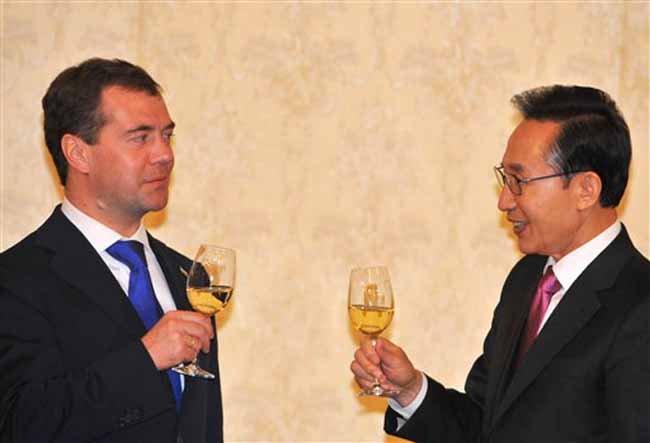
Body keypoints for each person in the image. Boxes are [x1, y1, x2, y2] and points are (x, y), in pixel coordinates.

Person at [351, 85, 649, 442]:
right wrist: (410, 390)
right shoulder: (527, 279)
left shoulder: (639, 304)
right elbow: (487, 425)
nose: (505, 201)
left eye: (519, 181)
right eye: (505, 179)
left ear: (586, 189)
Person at [0, 58, 223, 442]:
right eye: (140, 137)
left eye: (166, 135)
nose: (164, 154)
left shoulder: (190, 276)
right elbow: (21, 424)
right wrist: (145, 358)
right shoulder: (17, 280)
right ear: (78, 152)